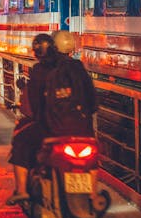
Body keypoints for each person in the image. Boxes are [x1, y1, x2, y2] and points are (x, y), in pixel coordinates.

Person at [6, 31, 97, 205]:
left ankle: (22, 190)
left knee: (21, 141)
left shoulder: (42, 69)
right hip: (83, 128)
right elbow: (92, 102)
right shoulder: (78, 67)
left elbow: (33, 106)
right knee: (92, 156)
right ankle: (93, 194)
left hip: (52, 128)